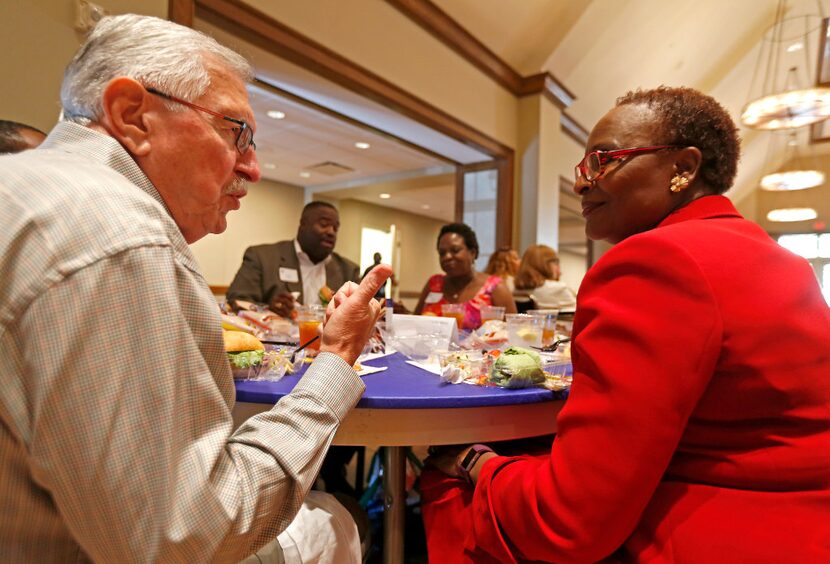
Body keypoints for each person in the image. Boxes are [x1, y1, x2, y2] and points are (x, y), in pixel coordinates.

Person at [0, 14, 391, 563]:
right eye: (237, 133)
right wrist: (335, 359)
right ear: (132, 114)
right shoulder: (123, 235)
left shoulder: (27, 188)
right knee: (340, 516)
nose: (253, 170)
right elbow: (188, 536)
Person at [420, 86, 830, 562]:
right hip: (802, 518)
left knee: (442, 478)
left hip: (719, 532)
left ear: (683, 168)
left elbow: (570, 520)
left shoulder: (656, 260)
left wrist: (476, 462)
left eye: (603, 160)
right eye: (583, 167)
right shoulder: (781, 259)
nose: (581, 183)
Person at [226, 201, 360, 318]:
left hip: (329, 344)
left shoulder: (348, 270)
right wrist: (267, 311)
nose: (331, 232)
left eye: (335, 228)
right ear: (303, 224)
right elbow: (238, 300)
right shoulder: (262, 257)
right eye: (324, 224)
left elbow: (357, 314)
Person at [414, 223, 516, 331]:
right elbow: (416, 321)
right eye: (442, 253)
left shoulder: (495, 288)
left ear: (473, 253)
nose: (447, 257)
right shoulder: (434, 284)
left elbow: (514, 332)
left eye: (455, 250)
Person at [514, 244, 577, 309]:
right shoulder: (558, 289)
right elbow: (578, 313)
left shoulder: (515, 290)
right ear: (546, 264)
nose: (558, 267)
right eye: (555, 262)